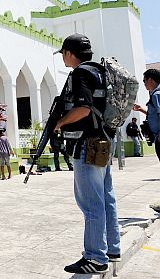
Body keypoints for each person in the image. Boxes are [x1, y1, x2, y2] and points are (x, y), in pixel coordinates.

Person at [54, 34, 120, 274]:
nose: (62, 57)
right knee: (106, 197)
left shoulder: (80, 73)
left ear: (70, 53)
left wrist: (60, 122)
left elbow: (83, 108)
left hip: (86, 144)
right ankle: (111, 248)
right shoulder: (101, 72)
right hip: (102, 141)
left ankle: (95, 257)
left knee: (91, 203)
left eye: (63, 53)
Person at [133, 68, 160, 212]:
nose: (144, 84)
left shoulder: (157, 94)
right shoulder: (154, 94)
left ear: (151, 80)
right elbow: (155, 113)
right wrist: (142, 110)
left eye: (144, 81)